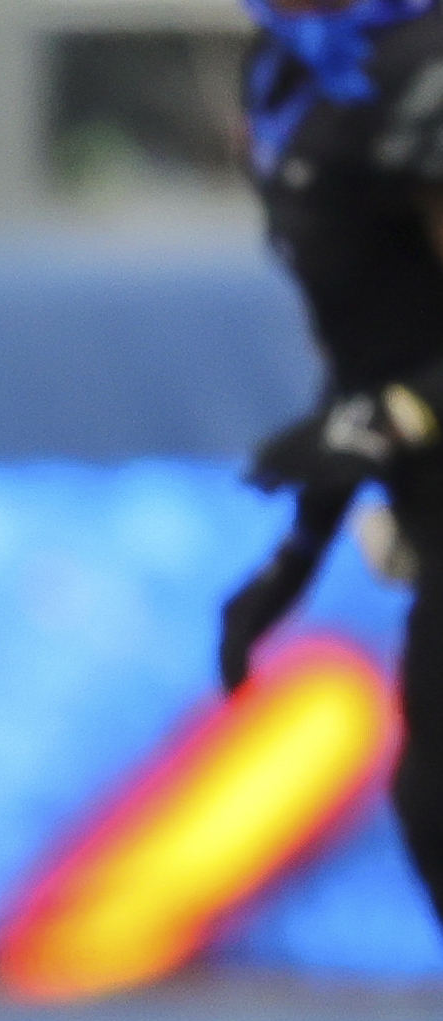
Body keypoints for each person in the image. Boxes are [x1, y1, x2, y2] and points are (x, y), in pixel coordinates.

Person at [222, 0, 443, 925]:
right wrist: (296, 555)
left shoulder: (419, 69)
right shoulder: (285, 69)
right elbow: (371, 345)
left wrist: (392, 419)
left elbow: (387, 391)